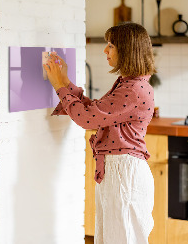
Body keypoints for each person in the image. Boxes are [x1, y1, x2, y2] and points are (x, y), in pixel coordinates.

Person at [44, 22, 156, 244]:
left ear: (127, 50)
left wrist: (59, 86)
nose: (105, 50)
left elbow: (87, 119)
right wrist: (65, 82)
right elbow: (95, 111)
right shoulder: (129, 84)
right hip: (119, 171)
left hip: (124, 173)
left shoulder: (133, 89)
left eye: (111, 45)